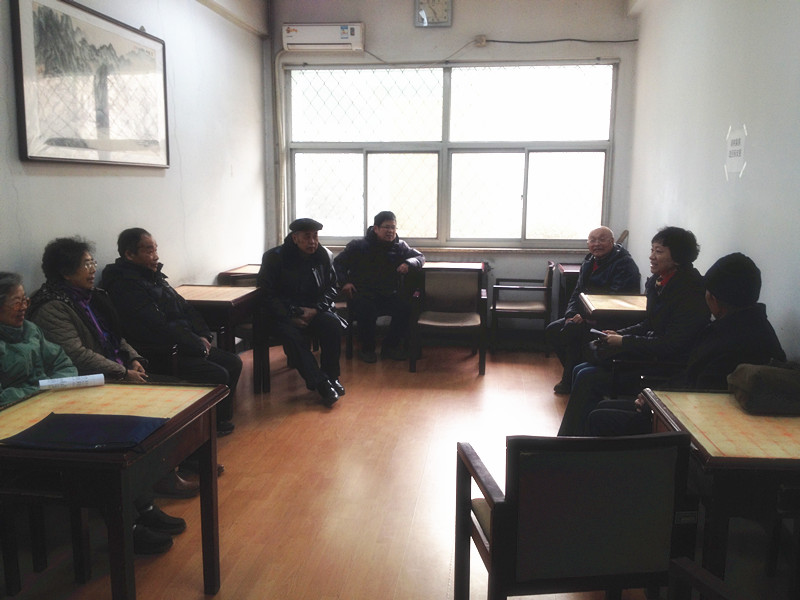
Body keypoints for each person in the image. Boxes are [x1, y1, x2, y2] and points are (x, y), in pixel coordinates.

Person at [0, 272, 182, 555]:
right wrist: (35, 392)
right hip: (16, 427)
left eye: (25, 299)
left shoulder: (30, 331)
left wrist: (50, 386)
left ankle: (145, 506)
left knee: (119, 434)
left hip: (52, 407)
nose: (24, 306)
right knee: (96, 454)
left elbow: (62, 362)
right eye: (16, 302)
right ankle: (127, 528)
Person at [27, 236, 202, 499]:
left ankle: (174, 463)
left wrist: (133, 359)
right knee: (159, 402)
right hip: (90, 381)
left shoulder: (91, 297)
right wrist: (122, 373)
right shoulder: (52, 307)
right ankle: (160, 478)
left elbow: (115, 336)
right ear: (65, 272)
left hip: (116, 371)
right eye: (86, 265)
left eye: (92, 263)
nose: (93, 270)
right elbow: (77, 355)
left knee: (183, 392)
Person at [586, 252, 787, 436]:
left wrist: (654, 403)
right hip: (690, 407)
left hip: (698, 427)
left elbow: (701, 396)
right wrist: (652, 396)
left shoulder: (730, 341)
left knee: (601, 417)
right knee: (602, 408)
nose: (652, 255)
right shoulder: (753, 326)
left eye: (659, 250)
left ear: (714, 299)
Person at [557, 226, 710, 436]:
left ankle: (570, 441)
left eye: (658, 251)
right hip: (648, 353)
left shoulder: (689, 290)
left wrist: (624, 341)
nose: (651, 257)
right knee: (580, 368)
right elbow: (649, 324)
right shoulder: (660, 281)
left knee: (586, 376)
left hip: (662, 367)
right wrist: (619, 334)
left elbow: (672, 345)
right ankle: (576, 437)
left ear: (678, 257)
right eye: (652, 250)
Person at [100, 228, 241, 436]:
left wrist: (204, 335)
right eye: (149, 251)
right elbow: (158, 326)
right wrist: (196, 345)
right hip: (161, 350)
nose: (156, 256)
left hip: (184, 342)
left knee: (233, 361)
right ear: (129, 254)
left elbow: (186, 309)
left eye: (156, 250)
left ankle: (218, 419)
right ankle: (203, 428)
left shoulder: (155, 277)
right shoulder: (124, 285)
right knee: (217, 373)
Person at [257, 218, 345, 407]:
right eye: (307, 237)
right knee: (292, 336)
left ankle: (332, 376)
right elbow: (267, 295)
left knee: (332, 324)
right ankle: (320, 383)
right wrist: (290, 315)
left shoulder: (323, 255)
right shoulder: (274, 257)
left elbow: (332, 287)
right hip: (282, 315)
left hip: (313, 310)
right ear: (295, 238)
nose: (312, 241)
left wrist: (316, 309)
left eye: (315, 236)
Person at [545, 226, 641, 393]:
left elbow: (615, 300)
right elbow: (577, 292)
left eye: (602, 240)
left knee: (574, 331)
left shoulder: (624, 264)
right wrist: (570, 314)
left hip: (611, 320)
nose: (597, 244)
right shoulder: (590, 260)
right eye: (593, 240)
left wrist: (585, 317)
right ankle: (575, 373)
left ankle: (571, 380)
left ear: (612, 242)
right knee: (553, 330)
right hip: (586, 315)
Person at [334, 211, 425, 363]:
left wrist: (408, 263)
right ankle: (367, 349)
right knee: (366, 309)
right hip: (363, 294)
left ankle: (389, 347)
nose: (390, 231)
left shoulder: (400, 246)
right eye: (386, 227)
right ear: (376, 228)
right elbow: (338, 264)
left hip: (388, 294)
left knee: (405, 307)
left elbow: (420, 257)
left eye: (393, 227)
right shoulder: (358, 246)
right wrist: (345, 283)